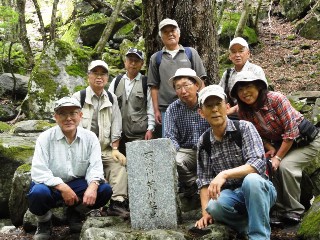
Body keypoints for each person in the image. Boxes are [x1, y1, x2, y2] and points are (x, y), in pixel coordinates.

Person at [229, 71, 320, 224]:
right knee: (269, 166)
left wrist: (278, 157)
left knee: (285, 167)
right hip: (282, 144)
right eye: (240, 90)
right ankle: (277, 210)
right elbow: (254, 133)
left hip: (307, 141)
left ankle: (294, 211)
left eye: (248, 87)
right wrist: (270, 148)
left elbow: (291, 132)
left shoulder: (276, 99)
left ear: (258, 86)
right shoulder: (244, 110)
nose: (244, 92)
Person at [194, 85, 276, 239]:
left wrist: (224, 174)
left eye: (218, 104)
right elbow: (204, 181)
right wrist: (205, 213)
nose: (215, 110)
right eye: (209, 106)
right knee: (214, 206)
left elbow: (257, 164)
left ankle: (259, 236)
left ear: (227, 107)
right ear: (201, 113)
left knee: (251, 181)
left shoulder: (245, 128)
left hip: (260, 190)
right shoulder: (204, 142)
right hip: (232, 197)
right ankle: (246, 226)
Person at [28, 97, 113, 240]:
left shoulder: (90, 138)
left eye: (73, 113)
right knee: (37, 192)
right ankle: (44, 221)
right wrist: (62, 187)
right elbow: (38, 170)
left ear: (80, 115)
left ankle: (76, 212)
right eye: (62, 114)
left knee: (104, 190)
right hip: (51, 186)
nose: (68, 118)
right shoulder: (45, 138)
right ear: (56, 117)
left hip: (77, 184)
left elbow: (95, 167)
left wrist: (93, 186)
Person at [72, 60, 130, 218]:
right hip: (82, 150)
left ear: (107, 77)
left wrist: (116, 148)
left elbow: (116, 123)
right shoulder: (79, 97)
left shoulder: (111, 98)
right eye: (95, 73)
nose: (99, 77)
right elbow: (71, 125)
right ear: (88, 76)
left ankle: (117, 204)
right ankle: (79, 207)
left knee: (118, 165)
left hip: (105, 149)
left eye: (102, 74)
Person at [147, 18, 207, 136]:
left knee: (197, 137)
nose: (170, 34)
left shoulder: (190, 53)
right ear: (161, 37)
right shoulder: (156, 58)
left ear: (178, 33)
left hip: (192, 106)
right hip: (166, 107)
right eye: (165, 32)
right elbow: (154, 86)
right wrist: (156, 110)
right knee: (170, 141)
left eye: (173, 30)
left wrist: (203, 103)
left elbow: (200, 81)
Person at [164, 68, 210, 196]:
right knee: (174, 160)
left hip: (209, 147)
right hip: (187, 150)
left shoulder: (207, 102)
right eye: (178, 87)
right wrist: (174, 150)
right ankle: (193, 184)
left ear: (196, 85)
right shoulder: (172, 109)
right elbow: (169, 136)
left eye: (186, 85)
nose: (183, 91)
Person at [108, 48, 155, 155]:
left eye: (136, 61)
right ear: (125, 62)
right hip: (118, 133)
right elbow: (108, 105)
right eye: (130, 60)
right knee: (120, 165)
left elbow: (150, 107)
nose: (133, 64)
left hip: (139, 134)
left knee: (138, 164)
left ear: (142, 64)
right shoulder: (117, 81)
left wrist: (150, 129)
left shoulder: (145, 82)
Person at [219, 37, 266, 117]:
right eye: (233, 52)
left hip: (254, 114)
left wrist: (233, 109)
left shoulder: (256, 71)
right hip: (232, 116)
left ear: (248, 53)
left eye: (241, 51)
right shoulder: (227, 74)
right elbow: (220, 93)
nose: (237, 55)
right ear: (230, 56)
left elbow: (263, 96)